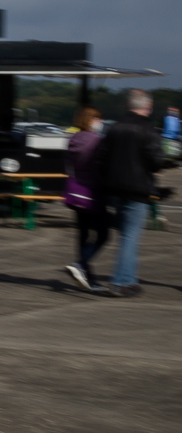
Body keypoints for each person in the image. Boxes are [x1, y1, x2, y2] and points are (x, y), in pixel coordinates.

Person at [96, 89, 166, 297]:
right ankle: (120, 282)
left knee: (127, 235)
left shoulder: (114, 127)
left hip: (114, 189)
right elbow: (156, 162)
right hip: (138, 189)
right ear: (147, 107)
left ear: (128, 106)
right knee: (130, 237)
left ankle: (130, 279)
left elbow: (101, 158)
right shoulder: (149, 129)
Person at [62, 106, 109, 290]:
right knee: (103, 235)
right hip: (93, 192)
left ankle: (88, 278)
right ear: (91, 120)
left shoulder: (72, 139)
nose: (101, 122)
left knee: (82, 234)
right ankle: (80, 265)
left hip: (75, 193)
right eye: (98, 119)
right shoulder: (98, 141)